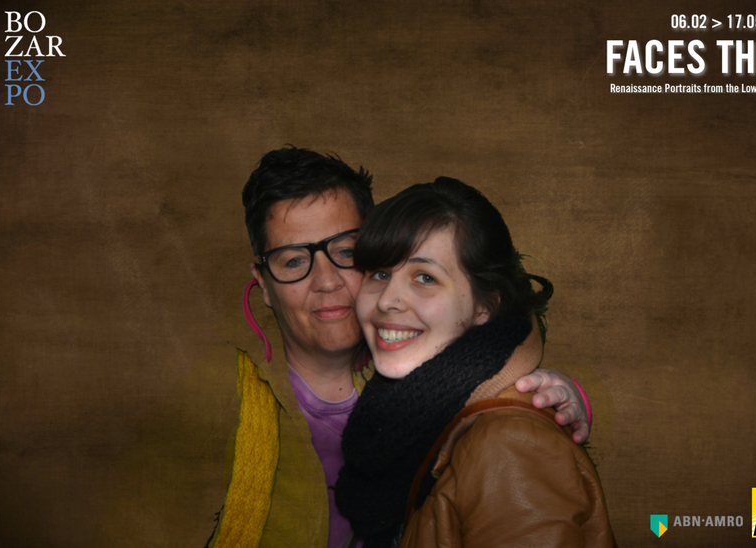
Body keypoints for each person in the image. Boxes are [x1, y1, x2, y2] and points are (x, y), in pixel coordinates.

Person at [207, 148, 594, 548]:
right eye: (292, 261)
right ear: (262, 282)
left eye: (346, 252)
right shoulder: (221, 397)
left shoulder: (484, 413)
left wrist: (548, 400)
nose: (326, 281)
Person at [335, 177, 615, 547]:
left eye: (424, 277)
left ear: (485, 307)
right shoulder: (402, 412)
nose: (387, 300)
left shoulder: (510, 445)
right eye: (381, 274)